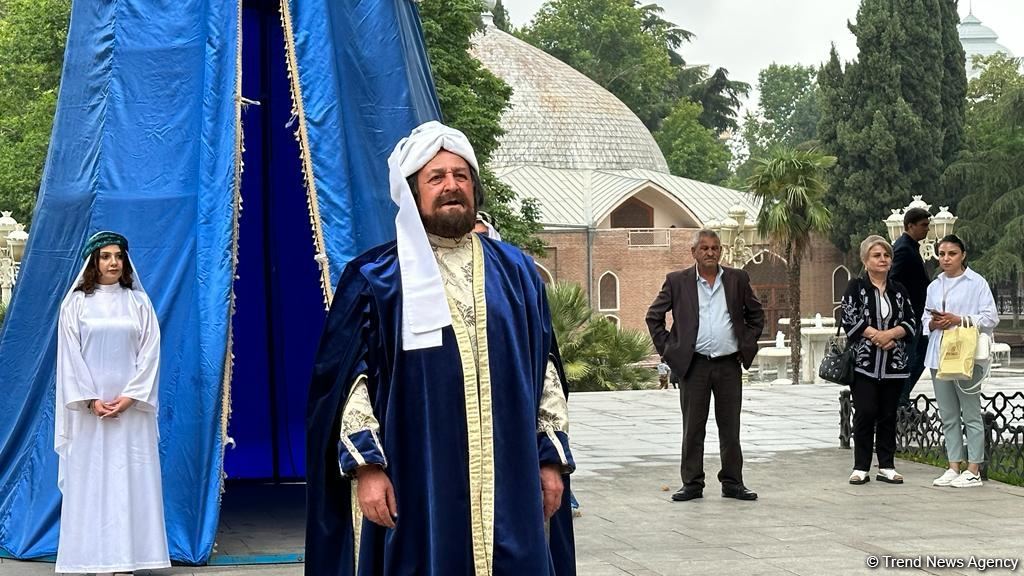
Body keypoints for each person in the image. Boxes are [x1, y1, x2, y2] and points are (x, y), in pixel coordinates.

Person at [305, 121, 575, 576]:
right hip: (416, 480)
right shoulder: (377, 278)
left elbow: (545, 370)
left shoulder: (517, 272)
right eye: (437, 177)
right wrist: (367, 469)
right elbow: (349, 385)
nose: (452, 185)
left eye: (461, 175)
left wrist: (550, 461)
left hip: (511, 481)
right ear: (413, 193)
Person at [55, 231, 169, 574]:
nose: (113, 262)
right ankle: (93, 559)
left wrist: (131, 396)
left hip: (131, 411)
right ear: (94, 261)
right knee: (92, 480)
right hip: (89, 412)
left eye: (118, 256)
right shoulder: (75, 305)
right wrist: (90, 400)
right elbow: (69, 356)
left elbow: (150, 353)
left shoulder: (139, 304)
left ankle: (129, 559)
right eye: (105, 256)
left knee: (129, 479)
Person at [646, 229, 765, 502]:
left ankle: (733, 482)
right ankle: (692, 484)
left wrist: (745, 343)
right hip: (694, 365)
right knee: (693, 428)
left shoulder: (737, 279)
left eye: (715, 248)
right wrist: (671, 351)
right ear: (694, 252)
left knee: (730, 427)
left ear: (720, 251)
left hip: (728, 364)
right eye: (704, 248)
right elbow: (654, 317)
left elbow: (756, 315)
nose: (710, 252)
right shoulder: (677, 281)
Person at [840, 235, 917, 485]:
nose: (883, 259)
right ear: (866, 261)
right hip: (864, 364)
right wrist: (878, 336)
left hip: (894, 364)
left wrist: (892, 334)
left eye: (886, 255)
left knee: (887, 414)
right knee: (865, 412)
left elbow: (911, 321)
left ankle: (886, 465)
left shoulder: (898, 290)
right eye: (876, 255)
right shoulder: (856, 287)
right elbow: (850, 319)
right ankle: (860, 467)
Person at [923, 235, 999, 489]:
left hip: (966, 356)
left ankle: (974, 468)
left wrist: (959, 319)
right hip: (939, 355)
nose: (946, 259)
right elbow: (924, 320)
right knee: (948, 414)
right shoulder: (935, 286)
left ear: (963, 255)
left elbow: (990, 318)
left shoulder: (976, 283)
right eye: (942, 254)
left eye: (952, 253)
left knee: (971, 412)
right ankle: (953, 466)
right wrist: (934, 323)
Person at [889, 207, 931, 407]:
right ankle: (900, 401)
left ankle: (901, 399)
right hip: (909, 316)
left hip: (917, 314)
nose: (927, 229)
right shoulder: (903, 248)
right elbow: (892, 280)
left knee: (922, 354)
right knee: (910, 357)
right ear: (910, 225)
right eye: (924, 225)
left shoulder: (911, 246)